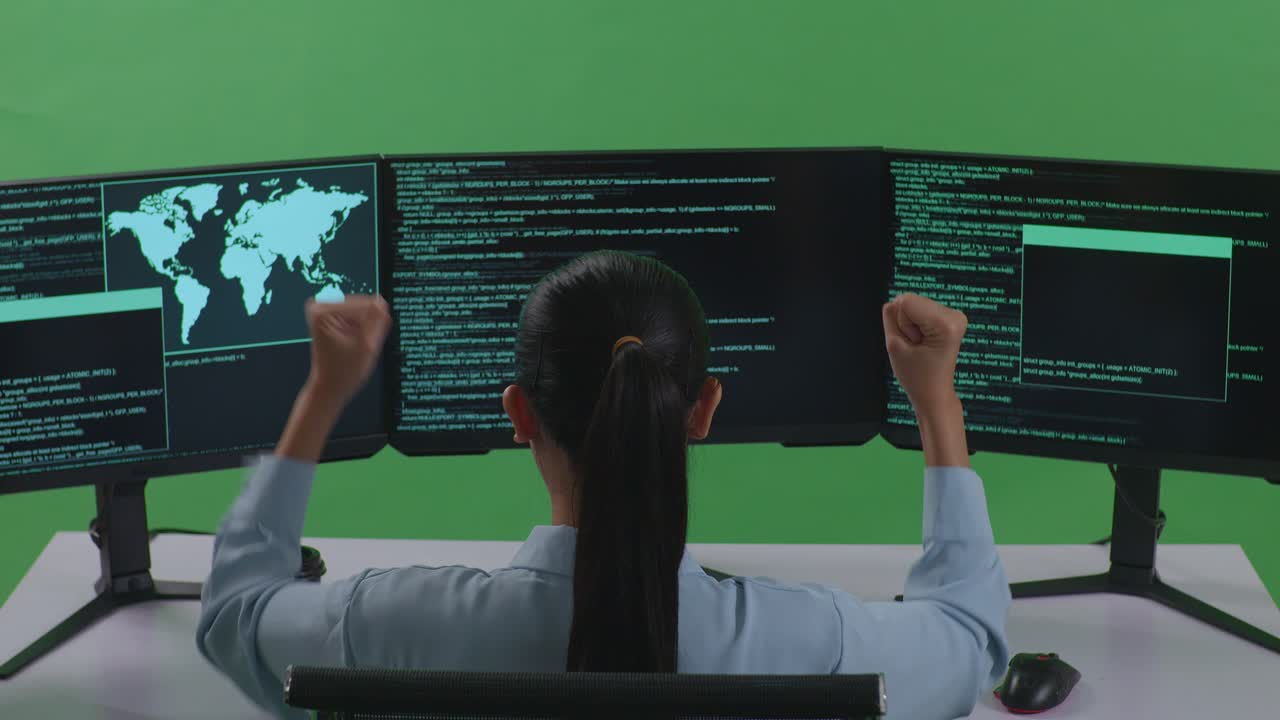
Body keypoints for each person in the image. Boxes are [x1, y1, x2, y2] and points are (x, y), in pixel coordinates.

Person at [198, 251, 1010, 720]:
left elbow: (236, 615)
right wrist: (936, 399)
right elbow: (972, 642)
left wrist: (323, 394)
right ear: (703, 410)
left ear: (519, 413)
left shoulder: (387, 622)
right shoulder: (813, 640)